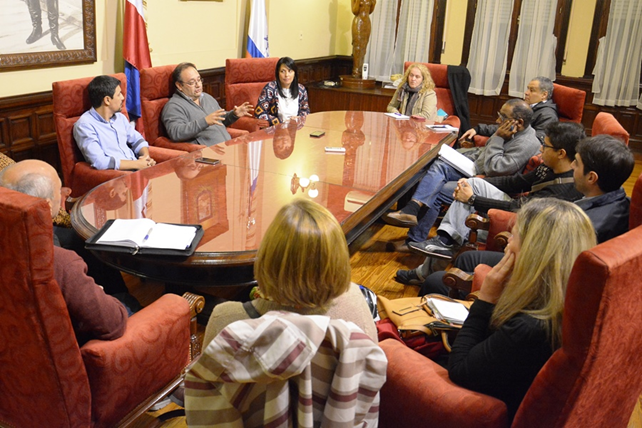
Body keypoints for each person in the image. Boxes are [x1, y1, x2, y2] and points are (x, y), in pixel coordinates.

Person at [406, 134, 635, 297]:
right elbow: (518, 184)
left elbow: (548, 272)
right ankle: (444, 244)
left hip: (537, 280)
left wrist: (515, 246)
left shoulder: (588, 223)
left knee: (436, 281)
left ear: (592, 177)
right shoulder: (612, 199)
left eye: (577, 163)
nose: (572, 166)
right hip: (533, 255)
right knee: (465, 259)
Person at [447, 198, 596, 420]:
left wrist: (485, 300)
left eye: (514, 236)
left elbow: (459, 370)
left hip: (484, 409)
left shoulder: (529, 328)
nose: (507, 242)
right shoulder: (571, 299)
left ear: (533, 251)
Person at [202, 199, 377, 348]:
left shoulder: (226, 321)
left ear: (268, 257)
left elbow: (206, 377)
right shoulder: (355, 302)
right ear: (338, 260)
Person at [406, 122, 585, 260]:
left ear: (561, 153)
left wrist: (473, 199)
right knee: (472, 186)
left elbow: (517, 207)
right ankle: (443, 244)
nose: (541, 149)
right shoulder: (549, 167)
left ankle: (443, 244)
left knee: (462, 214)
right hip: (520, 209)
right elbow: (516, 182)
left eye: (545, 146)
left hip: (526, 225)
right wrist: (478, 182)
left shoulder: (564, 189)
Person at [384, 99, 541, 251]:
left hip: (490, 184)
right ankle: (411, 212)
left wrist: (498, 138)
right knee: (437, 164)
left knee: (438, 187)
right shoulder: (510, 129)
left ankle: (415, 234)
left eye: (503, 117)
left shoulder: (526, 143)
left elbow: (494, 169)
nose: (498, 120)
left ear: (519, 122)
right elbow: (485, 154)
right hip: (476, 169)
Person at [0, 160, 128, 345]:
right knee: (130, 302)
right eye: (59, 191)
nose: (64, 194)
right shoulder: (62, 262)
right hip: (80, 345)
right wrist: (97, 295)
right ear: (46, 204)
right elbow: (114, 324)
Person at [74, 75, 157, 171]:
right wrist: (137, 164)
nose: (122, 97)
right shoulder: (84, 125)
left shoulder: (120, 118)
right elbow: (100, 162)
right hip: (119, 175)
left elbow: (137, 139)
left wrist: (145, 158)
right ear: (107, 100)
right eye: (119, 94)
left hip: (139, 169)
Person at [162, 62, 254, 147]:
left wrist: (234, 114)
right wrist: (205, 122)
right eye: (192, 82)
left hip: (227, 148)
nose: (198, 85)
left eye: (199, 80)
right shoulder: (173, 106)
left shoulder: (206, 97)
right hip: (206, 155)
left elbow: (219, 120)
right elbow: (176, 133)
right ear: (179, 85)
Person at [460, 76, 557, 144]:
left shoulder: (547, 115)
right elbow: (506, 126)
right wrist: (478, 129)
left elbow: (538, 141)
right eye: (527, 89)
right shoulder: (530, 107)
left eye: (532, 90)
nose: (526, 93)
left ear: (544, 95)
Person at [255, 57, 310, 127]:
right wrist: (280, 121)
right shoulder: (270, 88)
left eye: (290, 71)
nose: (286, 75)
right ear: (278, 73)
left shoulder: (301, 89)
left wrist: (299, 119)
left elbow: (306, 111)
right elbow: (259, 113)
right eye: (283, 71)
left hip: (296, 128)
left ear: (295, 73)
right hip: (276, 129)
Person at [351, 0, 376, 77]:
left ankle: (360, 70)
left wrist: (374, 2)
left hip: (366, 22)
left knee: (364, 47)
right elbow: (354, 11)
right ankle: (355, 71)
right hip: (358, 21)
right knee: (357, 46)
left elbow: (370, 11)